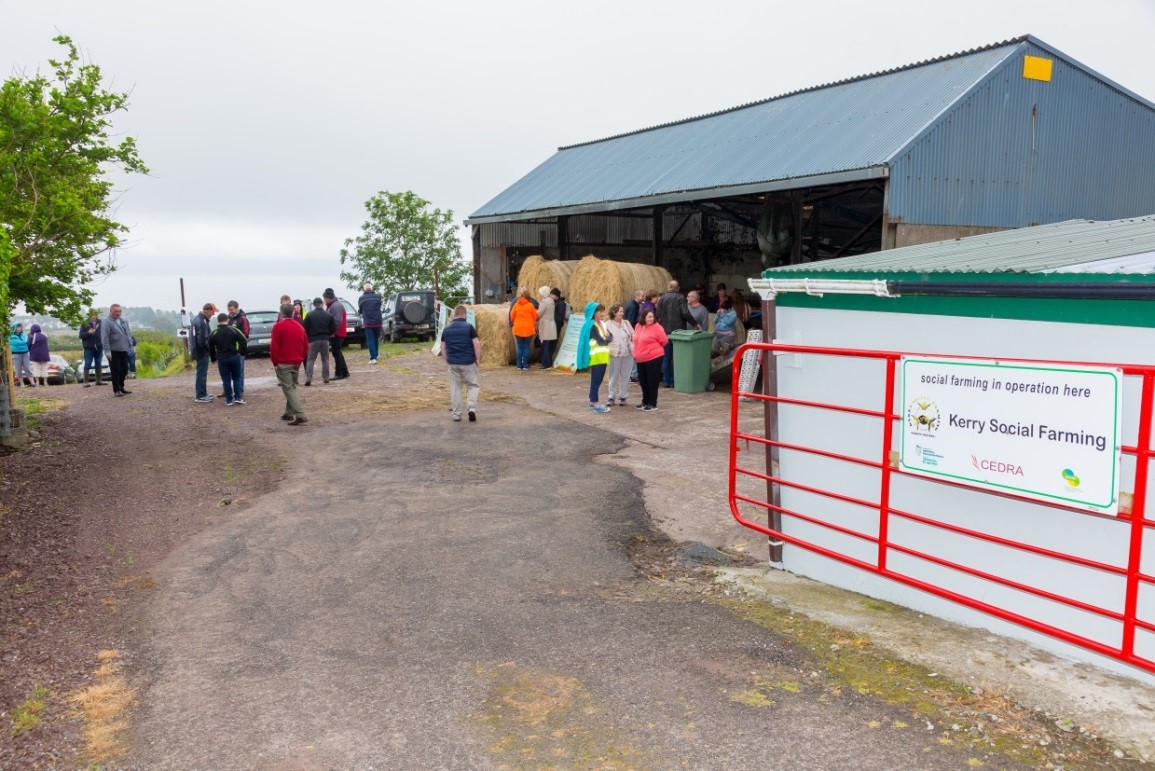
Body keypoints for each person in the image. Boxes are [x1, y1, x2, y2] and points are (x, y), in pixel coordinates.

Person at [439, 304, 481, 422]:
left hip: (453, 363)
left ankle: (456, 414)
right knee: (473, 385)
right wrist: (477, 359)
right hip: (468, 362)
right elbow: (476, 344)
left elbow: (442, 348)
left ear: (454, 314)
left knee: (455, 388)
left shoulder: (446, 329)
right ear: (464, 314)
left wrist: (448, 360)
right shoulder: (469, 327)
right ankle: (471, 408)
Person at [270, 302, 309, 425]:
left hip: (284, 362)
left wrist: (275, 362)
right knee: (291, 386)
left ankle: (300, 414)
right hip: (297, 361)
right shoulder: (299, 327)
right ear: (293, 312)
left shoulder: (278, 327)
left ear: (281, 313)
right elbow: (305, 346)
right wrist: (301, 358)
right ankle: (288, 413)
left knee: (288, 388)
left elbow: (274, 347)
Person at [656, 280, 698, 388]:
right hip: (679, 332)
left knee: (666, 357)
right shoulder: (680, 298)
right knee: (678, 358)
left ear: (668, 287)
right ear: (677, 288)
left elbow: (657, 314)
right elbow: (685, 313)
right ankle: (675, 380)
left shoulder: (662, 298)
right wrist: (695, 324)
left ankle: (666, 381)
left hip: (665, 332)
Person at [575, 302, 613, 413]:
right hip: (596, 357)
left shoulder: (602, 324)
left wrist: (607, 338)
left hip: (602, 357)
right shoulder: (592, 326)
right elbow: (602, 341)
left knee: (597, 380)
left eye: (602, 311)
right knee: (596, 380)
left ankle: (592, 401)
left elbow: (610, 337)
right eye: (600, 311)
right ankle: (595, 403)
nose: (602, 314)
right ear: (593, 313)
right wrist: (607, 338)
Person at [632, 309, 668, 412]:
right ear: (643, 317)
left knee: (652, 381)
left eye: (652, 317)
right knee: (643, 381)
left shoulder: (657, 327)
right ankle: (645, 400)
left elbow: (664, 341)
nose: (651, 319)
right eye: (649, 317)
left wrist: (652, 349)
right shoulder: (638, 326)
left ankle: (652, 403)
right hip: (640, 357)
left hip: (653, 357)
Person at [209, 312, 248, 405]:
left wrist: (213, 358)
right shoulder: (234, 330)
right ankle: (238, 397)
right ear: (227, 320)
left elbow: (210, 347)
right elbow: (244, 341)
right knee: (237, 378)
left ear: (218, 321)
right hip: (234, 357)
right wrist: (241, 352)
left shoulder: (214, 333)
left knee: (226, 380)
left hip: (222, 359)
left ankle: (229, 400)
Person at [99, 303, 134, 397]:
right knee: (116, 370)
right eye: (116, 311)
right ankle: (117, 389)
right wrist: (107, 351)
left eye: (120, 311)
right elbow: (104, 337)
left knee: (125, 369)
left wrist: (131, 346)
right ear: (110, 311)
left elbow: (128, 334)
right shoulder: (106, 322)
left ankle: (121, 387)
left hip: (124, 348)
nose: (118, 313)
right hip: (113, 350)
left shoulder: (123, 320)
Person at [605, 303, 634, 406]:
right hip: (614, 354)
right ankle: (611, 397)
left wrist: (634, 344)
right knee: (613, 376)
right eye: (620, 311)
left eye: (622, 311)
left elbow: (633, 334)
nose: (622, 313)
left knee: (626, 376)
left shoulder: (626, 323)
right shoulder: (607, 324)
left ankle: (623, 397)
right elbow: (604, 338)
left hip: (627, 354)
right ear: (614, 312)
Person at [303, 297, 336, 385]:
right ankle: (326, 377)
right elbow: (334, 328)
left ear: (314, 305)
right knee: (325, 359)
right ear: (322, 304)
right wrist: (328, 334)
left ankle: (308, 378)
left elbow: (304, 327)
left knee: (310, 359)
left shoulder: (309, 315)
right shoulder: (328, 315)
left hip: (313, 339)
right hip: (325, 339)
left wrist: (309, 335)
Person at [189, 303, 215, 402]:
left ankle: (203, 393)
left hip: (198, 351)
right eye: (212, 311)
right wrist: (209, 350)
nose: (213, 314)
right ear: (207, 310)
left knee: (201, 373)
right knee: (202, 373)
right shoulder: (202, 321)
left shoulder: (198, 319)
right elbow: (202, 340)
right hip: (202, 352)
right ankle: (200, 395)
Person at [323, 288, 349, 379]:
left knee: (336, 353)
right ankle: (345, 372)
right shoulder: (333, 305)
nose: (324, 300)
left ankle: (339, 373)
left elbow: (338, 321)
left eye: (325, 298)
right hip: (337, 332)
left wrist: (333, 332)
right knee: (337, 352)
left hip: (337, 333)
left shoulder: (335, 306)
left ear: (328, 298)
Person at [509, 288, 537, 371]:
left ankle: (518, 365)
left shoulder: (516, 305)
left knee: (520, 347)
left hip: (518, 329)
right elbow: (535, 317)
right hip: (528, 329)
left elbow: (512, 316)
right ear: (528, 296)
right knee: (526, 348)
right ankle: (525, 365)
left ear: (520, 296)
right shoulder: (531, 305)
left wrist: (517, 322)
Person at [358, 284, 384, 364]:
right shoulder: (378, 296)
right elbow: (379, 306)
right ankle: (376, 354)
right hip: (378, 321)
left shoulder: (361, 298)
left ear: (364, 290)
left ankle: (373, 358)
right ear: (372, 289)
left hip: (368, 322)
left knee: (370, 340)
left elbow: (361, 310)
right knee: (376, 339)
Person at [79, 311, 104, 387]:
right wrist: (88, 333)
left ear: (97, 315)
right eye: (91, 314)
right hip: (89, 346)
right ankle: (86, 382)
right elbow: (81, 335)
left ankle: (99, 381)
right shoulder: (85, 323)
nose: (93, 316)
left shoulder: (100, 322)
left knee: (98, 362)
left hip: (99, 345)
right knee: (87, 363)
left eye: (95, 314)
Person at [535, 285, 557, 369]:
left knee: (544, 345)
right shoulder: (551, 301)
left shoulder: (544, 302)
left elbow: (539, 314)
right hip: (551, 325)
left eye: (540, 293)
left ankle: (545, 364)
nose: (539, 295)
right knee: (548, 345)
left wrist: (534, 312)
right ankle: (548, 362)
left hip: (545, 325)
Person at [9, 323, 33, 387]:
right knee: (18, 369)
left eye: (20, 327)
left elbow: (26, 340)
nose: (19, 328)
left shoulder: (23, 334)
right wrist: (23, 342)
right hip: (16, 354)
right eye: (17, 327)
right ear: (14, 328)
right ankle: (22, 384)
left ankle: (32, 383)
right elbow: (14, 342)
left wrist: (22, 342)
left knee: (27, 368)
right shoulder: (11, 335)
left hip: (25, 353)